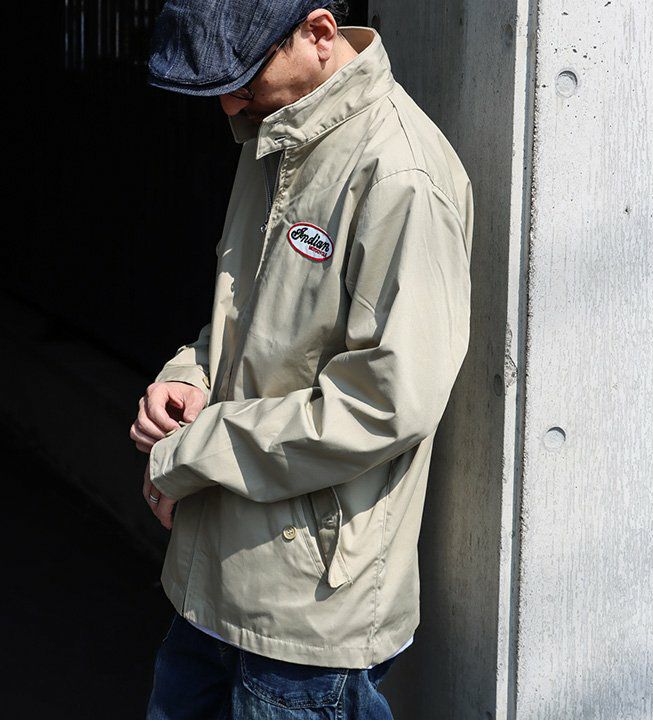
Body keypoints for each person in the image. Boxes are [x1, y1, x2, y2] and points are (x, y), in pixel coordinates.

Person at [129, 1, 474, 717]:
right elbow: (247, 318)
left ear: (320, 33)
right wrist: (187, 376)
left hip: (307, 617)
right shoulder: (278, 132)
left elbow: (388, 402)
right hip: (213, 583)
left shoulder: (400, 173)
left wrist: (192, 451)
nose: (229, 104)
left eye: (242, 79)